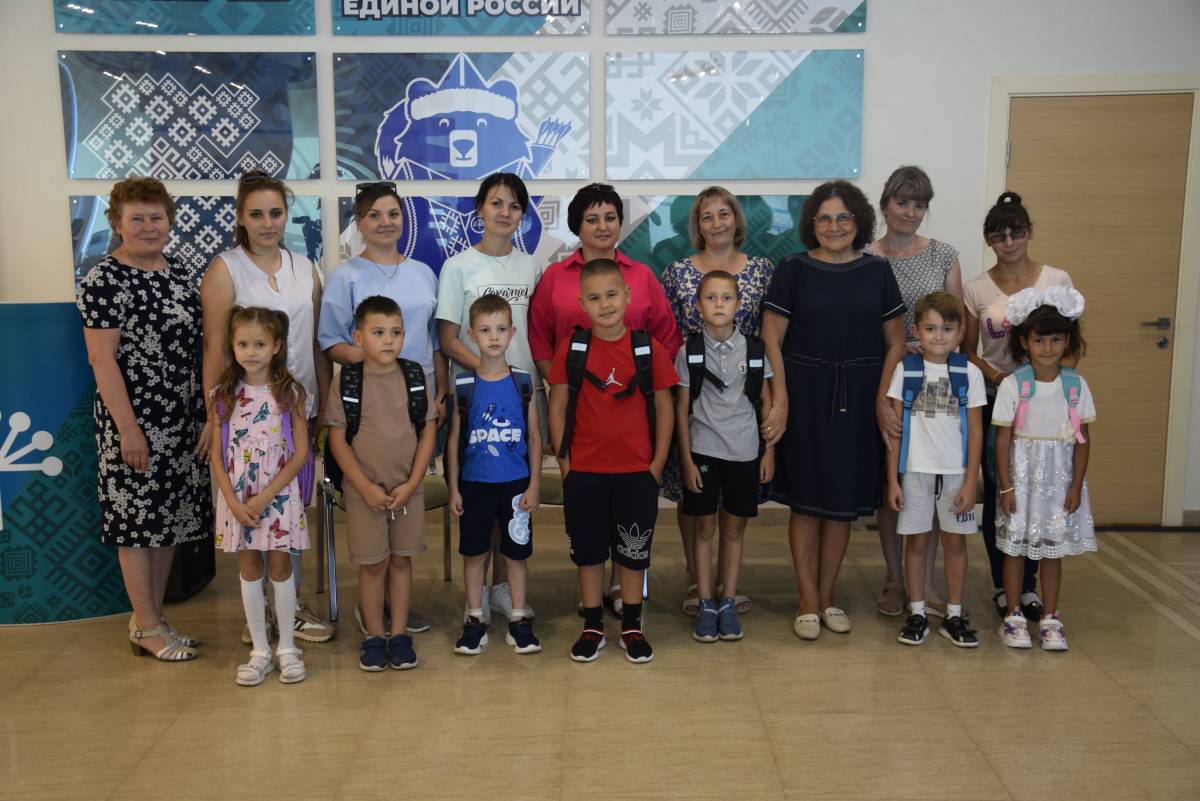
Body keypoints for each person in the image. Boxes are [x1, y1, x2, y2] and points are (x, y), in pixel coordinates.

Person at [761, 180, 906, 641]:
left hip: (859, 397)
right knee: (806, 503)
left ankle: (828, 596)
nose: (835, 226)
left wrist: (883, 398)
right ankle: (806, 599)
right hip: (805, 394)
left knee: (841, 506)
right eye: (824, 218)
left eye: (843, 217)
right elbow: (770, 340)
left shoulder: (878, 271)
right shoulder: (793, 269)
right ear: (812, 224)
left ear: (859, 221)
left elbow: (896, 342)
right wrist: (780, 398)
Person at [529, 182, 681, 616]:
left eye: (610, 217)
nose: (601, 226)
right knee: (591, 526)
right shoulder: (555, 276)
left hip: (633, 422)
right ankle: (594, 606)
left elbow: (667, 335)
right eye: (591, 218)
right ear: (577, 225)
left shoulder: (642, 275)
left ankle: (624, 590)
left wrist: (643, 377)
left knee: (631, 523)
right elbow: (539, 337)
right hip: (581, 414)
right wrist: (568, 383)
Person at [77, 177, 209, 662]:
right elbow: (101, 360)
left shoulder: (180, 273)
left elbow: (198, 347)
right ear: (117, 223)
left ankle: (151, 621)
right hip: (133, 422)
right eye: (137, 218)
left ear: (169, 221)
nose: (149, 226)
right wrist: (129, 430)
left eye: (156, 217)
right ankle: (149, 627)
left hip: (182, 418)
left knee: (168, 521)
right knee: (136, 525)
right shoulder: (103, 279)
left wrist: (205, 414)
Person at [200, 171, 334, 645]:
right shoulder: (225, 269)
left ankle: (290, 606)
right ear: (241, 217)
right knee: (253, 508)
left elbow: (315, 344)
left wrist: (325, 400)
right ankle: (258, 615)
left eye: (275, 212)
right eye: (256, 214)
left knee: (291, 507)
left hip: (297, 408)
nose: (267, 222)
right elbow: (215, 348)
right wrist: (211, 415)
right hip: (245, 417)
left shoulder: (305, 268)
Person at [318, 180, 444, 636]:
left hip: (417, 404)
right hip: (369, 407)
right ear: (359, 222)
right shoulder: (345, 276)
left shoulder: (424, 273)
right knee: (373, 517)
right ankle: (373, 615)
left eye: (393, 213)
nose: (385, 222)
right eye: (374, 214)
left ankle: (398, 612)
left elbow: (433, 341)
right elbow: (329, 340)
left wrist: (440, 389)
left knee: (405, 501)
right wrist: (376, 362)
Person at [548, 258, 677, 664]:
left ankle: (632, 627)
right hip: (584, 472)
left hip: (637, 472)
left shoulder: (648, 349)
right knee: (589, 553)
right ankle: (592, 626)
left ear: (627, 295)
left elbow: (665, 406)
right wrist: (565, 463)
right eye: (594, 297)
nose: (604, 304)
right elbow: (557, 404)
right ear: (581, 304)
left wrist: (657, 463)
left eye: (611, 294)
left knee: (633, 551)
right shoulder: (572, 349)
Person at [660, 187, 777, 617]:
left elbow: (770, 336)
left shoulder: (762, 270)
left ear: (736, 219)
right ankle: (698, 579)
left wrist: (774, 403)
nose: (716, 222)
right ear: (697, 225)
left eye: (723, 213)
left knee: (732, 514)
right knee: (694, 499)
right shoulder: (677, 272)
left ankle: (728, 588)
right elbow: (669, 333)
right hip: (697, 404)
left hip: (744, 402)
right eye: (706, 216)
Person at [963, 191, 1076, 621]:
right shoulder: (977, 287)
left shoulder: (1056, 278)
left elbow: (1072, 343)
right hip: (998, 399)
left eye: (1017, 232)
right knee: (1002, 490)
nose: (1008, 242)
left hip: (1047, 402)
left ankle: (1028, 585)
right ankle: (1002, 583)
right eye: (998, 235)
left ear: (1030, 233)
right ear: (988, 240)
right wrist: (998, 379)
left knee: (1040, 488)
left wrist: (1053, 386)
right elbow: (968, 350)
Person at [437, 172, 543, 623]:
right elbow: (447, 337)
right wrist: (487, 373)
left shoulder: (531, 266)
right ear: (480, 209)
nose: (505, 212)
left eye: (514, 205)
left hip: (521, 398)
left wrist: (513, 380)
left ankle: (503, 588)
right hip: (475, 399)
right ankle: (479, 597)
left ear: (522, 215)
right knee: (482, 493)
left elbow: (536, 333)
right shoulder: (457, 267)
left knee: (511, 493)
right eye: (496, 203)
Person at [866, 166, 964, 618]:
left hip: (935, 386)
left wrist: (933, 353)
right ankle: (894, 579)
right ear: (885, 205)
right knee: (894, 484)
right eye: (902, 202)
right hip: (887, 380)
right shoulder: (866, 258)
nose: (910, 212)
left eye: (919, 204)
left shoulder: (944, 255)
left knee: (931, 479)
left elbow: (958, 321)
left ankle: (925, 584)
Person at [327, 296, 437, 671]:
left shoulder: (415, 377)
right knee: (373, 565)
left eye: (396, 332)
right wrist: (365, 488)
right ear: (358, 337)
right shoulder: (348, 381)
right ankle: (375, 636)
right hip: (365, 494)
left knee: (401, 561)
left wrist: (413, 482)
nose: (388, 340)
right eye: (378, 333)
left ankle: (400, 634)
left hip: (408, 490)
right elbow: (338, 440)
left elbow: (427, 432)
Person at [210, 307, 310, 685]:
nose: (250, 352)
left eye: (260, 344)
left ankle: (287, 648)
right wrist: (233, 502)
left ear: (276, 346)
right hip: (238, 499)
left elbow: (300, 454)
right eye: (243, 344)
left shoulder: (290, 393)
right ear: (232, 346)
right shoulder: (223, 395)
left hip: (278, 496)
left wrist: (266, 496)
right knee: (249, 567)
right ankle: (260, 650)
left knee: (281, 568)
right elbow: (217, 457)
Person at [673, 270, 774, 643]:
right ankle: (705, 602)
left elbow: (766, 405)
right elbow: (682, 409)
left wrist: (769, 452)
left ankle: (728, 601)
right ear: (698, 305)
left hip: (745, 453)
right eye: (711, 298)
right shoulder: (688, 350)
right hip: (703, 451)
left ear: (739, 304)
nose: (719, 304)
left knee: (734, 529)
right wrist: (686, 460)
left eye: (726, 298)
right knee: (704, 528)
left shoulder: (756, 350)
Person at [993, 286, 1095, 650]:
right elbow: (1002, 440)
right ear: (1025, 341)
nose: (1048, 348)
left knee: (1053, 550)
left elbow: (1083, 440)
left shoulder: (1075, 385)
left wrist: (1075, 486)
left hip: (1058, 481)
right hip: (1021, 480)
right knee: (1014, 549)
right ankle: (1014, 615)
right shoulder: (1013, 385)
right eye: (1039, 340)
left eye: (1056, 339)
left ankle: (1051, 616)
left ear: (1067, 341)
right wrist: (1006, 487)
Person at [884, 293, 985, 648]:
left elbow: (976, 431)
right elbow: (894, 431)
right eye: (930, 328)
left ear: (960, 333)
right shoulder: (906, 370)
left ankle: (954, 614)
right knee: (917, 542)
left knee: (955, 543)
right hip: (915, 471)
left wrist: (971, 481)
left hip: (956, 473)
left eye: (947, 329)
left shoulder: (969, 373)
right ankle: (917, 612)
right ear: (916, 330)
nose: (938, 336)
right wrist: (892, 480)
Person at [447, 295, 543, 656]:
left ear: (512, 332)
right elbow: (454, 440)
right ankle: (475, 618)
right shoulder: (464, 385)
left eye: (501, 329)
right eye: (485, 330)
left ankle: (518, 619)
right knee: (475, 553)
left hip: (516, 485)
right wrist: (454, 488)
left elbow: (535, 437)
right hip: (475, 485)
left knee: (516, 554)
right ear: (472, 335)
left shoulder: (522, 381)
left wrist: (534, 484)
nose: (494, 337)